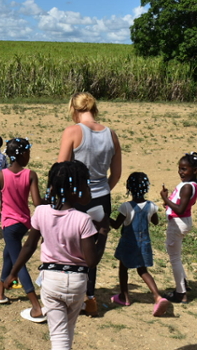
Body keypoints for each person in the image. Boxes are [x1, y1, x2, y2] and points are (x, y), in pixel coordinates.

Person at [4, 161, 105, 350]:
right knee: (68, 331)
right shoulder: (83, 220)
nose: (87, 188)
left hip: (51, 280)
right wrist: (103, 235)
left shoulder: (41, 212)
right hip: (77, 283)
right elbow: (91, 261)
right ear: (75, 189)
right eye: (85, 184)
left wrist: (13, 273)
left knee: (58, 335)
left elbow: (28, 246)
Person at [57, 92, 121, 317]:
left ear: (74, 109)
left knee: (69, 247)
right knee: (93, 250)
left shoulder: (72, 131)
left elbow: (61, 169)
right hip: (102, 198)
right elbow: (116, 174)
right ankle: (90, 298)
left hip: (77, 198)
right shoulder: (111, 135)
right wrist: (101, 192)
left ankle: (68, 296)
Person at [0, 138, 44, 322]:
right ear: (23, 155)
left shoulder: (1, 176)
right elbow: (37, 203)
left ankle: (36, 306)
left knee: (19, 263)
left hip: (9, 224)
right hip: (24, 224)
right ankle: (0, 291)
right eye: (29, 153)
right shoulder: (31, 175)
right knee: (9, 255)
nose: (29, 157)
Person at [110, 172, 169, 317]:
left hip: (128, 243)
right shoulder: (151, 206)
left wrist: (104, 216)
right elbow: (155, 222)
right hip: (145, 243)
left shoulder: (126, 207)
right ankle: (157, 296)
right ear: (146, 188)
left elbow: (116, 225)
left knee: (123, 269)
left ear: (129, 188)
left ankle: (125, 297)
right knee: (142, 270)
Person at [160, 152, 197, 304]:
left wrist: (165, 198)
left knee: (174, 259)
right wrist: (169, 203)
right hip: (185, 220)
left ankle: (181, 293)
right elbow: (183, 204)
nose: (181, 172)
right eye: (180, 168)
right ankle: (183, 283)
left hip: (178, 223)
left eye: (184, 169)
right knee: (176, 257)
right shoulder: (196, 183)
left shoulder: (186, 187)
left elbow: (179, 209)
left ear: (195, 169)